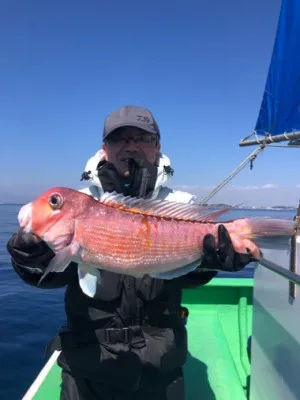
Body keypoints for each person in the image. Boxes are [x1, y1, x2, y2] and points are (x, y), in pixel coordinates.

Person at [7, 106, 253, 400]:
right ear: (104, 148)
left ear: (158, 147)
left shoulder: (181, 205)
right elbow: (47, 277)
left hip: (161, 365)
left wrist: (212, 262)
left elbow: (187, 277)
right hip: (88, 364)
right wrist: (28, 257)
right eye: (119, 139)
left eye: (142, 138)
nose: (131, 146)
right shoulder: (82, 201)